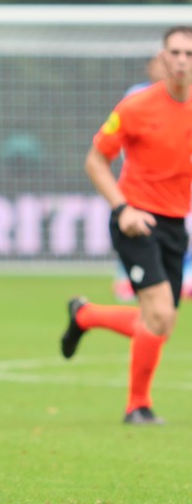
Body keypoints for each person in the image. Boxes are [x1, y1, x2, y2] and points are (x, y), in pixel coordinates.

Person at [61, 25, 192, 425]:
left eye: (190, 53)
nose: (183, 61)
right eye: (176, 52)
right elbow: (95, 161)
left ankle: (85, 315)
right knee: (159, 315)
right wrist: (123, 210)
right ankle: (137, 406)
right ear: (162, 57)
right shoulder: (136, 107)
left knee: (161, 321)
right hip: (135, 221)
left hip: (174, 225)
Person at [113, 54, 169, 302]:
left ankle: (85, 315)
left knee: (161, 314)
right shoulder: (137, 97)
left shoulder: (182, 97)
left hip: (174, 187)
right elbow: (100, 156)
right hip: (141, 186)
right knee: (134, 230)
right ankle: (125, 277)